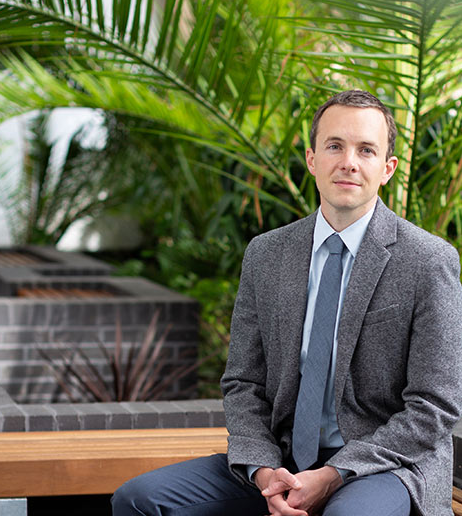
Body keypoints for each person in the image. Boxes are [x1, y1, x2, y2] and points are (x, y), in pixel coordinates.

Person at [112, 90, 462, 516]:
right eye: (335, 146)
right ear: (312, 160)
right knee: (138, 500)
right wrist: (262, 469)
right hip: (280, 460)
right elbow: (243, 382)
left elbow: (435, 405)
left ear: (386, 168)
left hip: (384, 466)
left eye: (366, 150)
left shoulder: (428, 260)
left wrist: (335, 473)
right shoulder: (266, 254)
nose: (349, 161)